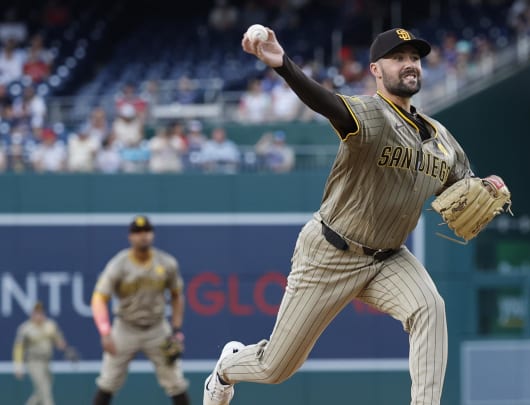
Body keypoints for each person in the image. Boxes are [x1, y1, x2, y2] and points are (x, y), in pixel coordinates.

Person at [203, 27, 476, 405]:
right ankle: (226, 368)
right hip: (330, 252)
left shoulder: (442, 139)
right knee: (276, 367)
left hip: (388, 257)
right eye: (398, 58)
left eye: (414, 57)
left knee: (430, 307)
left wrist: (486, 185)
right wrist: (283, 66)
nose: (409, 64)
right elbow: (326, 102)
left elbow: (464, 184)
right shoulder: (371, 113)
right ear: (376, 70)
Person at [91, 215, 190, 405]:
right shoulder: (119, 264)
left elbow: (177, 295)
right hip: (125, 327)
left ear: (152, 235)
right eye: (137, 232)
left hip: (157, 328)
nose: (143, 236)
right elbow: (98, 298)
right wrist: (105, 331)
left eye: (146, 231)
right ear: (130, 237)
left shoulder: (166, 263)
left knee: (175, 382)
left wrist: (176, 330)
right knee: (108, 381)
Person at [13, 301, 69, 405]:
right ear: (32, 314)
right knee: (45, 389)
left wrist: (61, 344)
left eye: (40, 312)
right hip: (33, 361)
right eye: (36, 312)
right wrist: (18, 366)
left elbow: (58, 340)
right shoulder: (25, 328)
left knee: (41, 391)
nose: (39, 315)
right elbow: (18, 349)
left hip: (46, 361)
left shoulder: (50, 325)